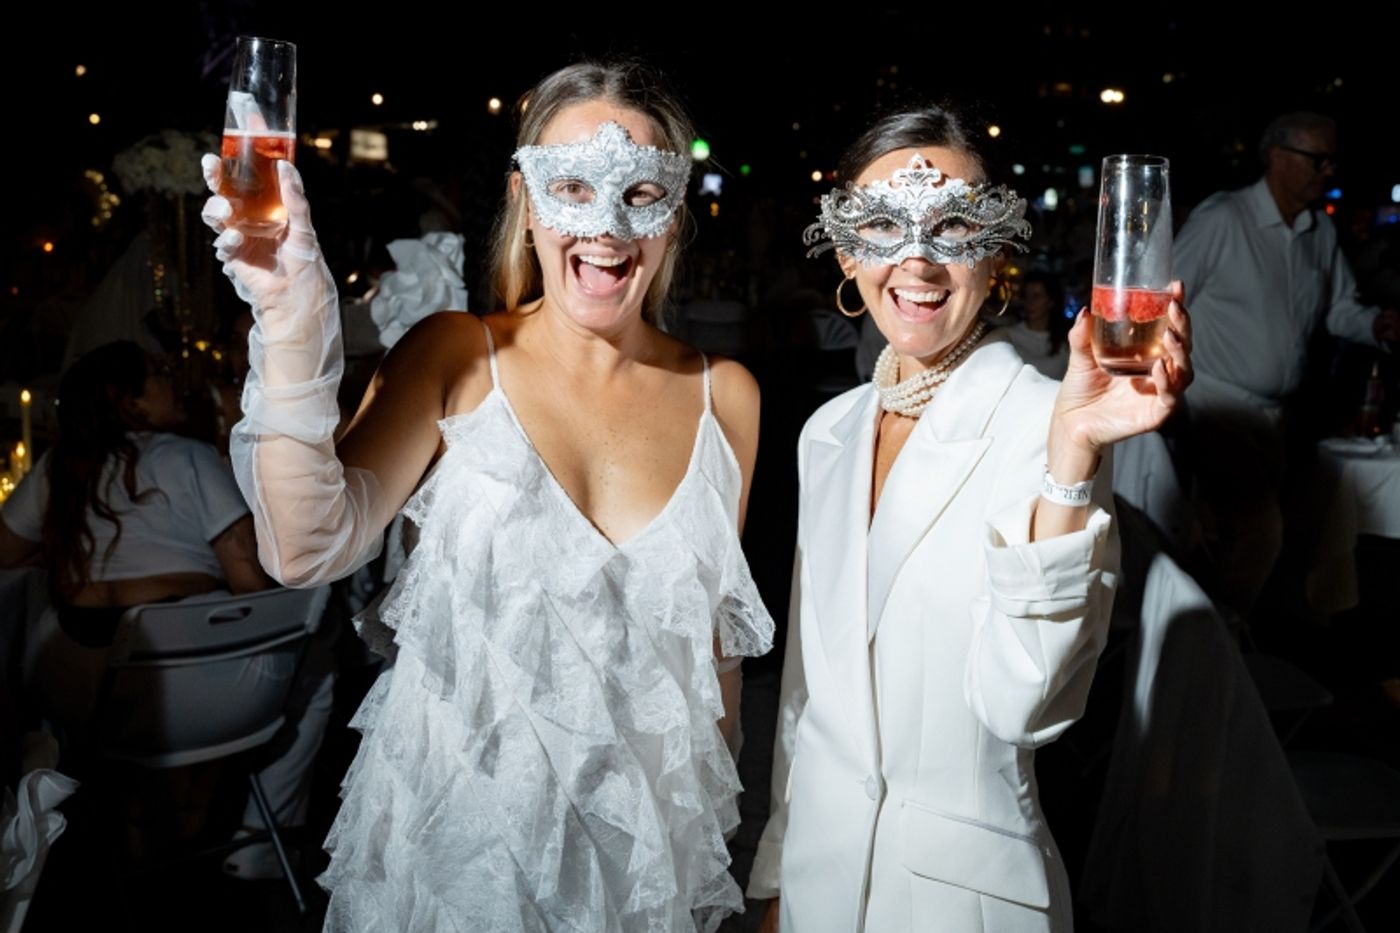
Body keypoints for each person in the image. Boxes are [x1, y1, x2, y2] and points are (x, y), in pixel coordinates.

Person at [201, 61, 772, 931]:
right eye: (572, 186)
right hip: (457, 869)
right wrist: (288, 317)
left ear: (674, 211)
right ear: (524, 199)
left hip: (636, 876)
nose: (607, 225)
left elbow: (713, 667)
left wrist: (699, 874)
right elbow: (305, 546)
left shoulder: (723, 396)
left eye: (641, 191)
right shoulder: (455, 356)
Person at [748, 105, 1193, 932]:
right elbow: (807, 691)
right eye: (883, 224)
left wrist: (1071, 459)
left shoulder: (1047, 427)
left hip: (962, 904)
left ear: (995, 251)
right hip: (818, 884)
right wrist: (778, 876)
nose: (916, 259)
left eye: (952, 225)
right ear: (846, 250)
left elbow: (1025, 705)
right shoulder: (828, 433)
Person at [0, 341, 331, 875]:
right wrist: (190, 579)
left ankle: (135, 814)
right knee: (315, 666)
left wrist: (78, 570)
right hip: (205, 693)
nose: (175, 379)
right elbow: (249, 583)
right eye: (159, 373)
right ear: (128, 399)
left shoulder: (60, 466)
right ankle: (254, 844)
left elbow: (6, 553)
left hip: (80, 689)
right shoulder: (188, 457)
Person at [1173, 111, 1399, 612]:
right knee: (1259, 530)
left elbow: (1339, 308)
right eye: (1318, 159)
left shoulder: (1319, 231)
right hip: (1215, 403)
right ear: (1277, 157)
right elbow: (1168, 294)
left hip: (1280, 416)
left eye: (1332, 161)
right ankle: (1220, 633)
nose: (1328, 171)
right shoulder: (1224, 219)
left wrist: (1375, 325)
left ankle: (1223, 629)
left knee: (1258, 532)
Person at [1000, 270, 1071, 380]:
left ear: (1051, 301)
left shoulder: (1066, 339)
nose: (1029, 302)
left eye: (1037, 296)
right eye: (1026, 296)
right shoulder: (1008, 335)